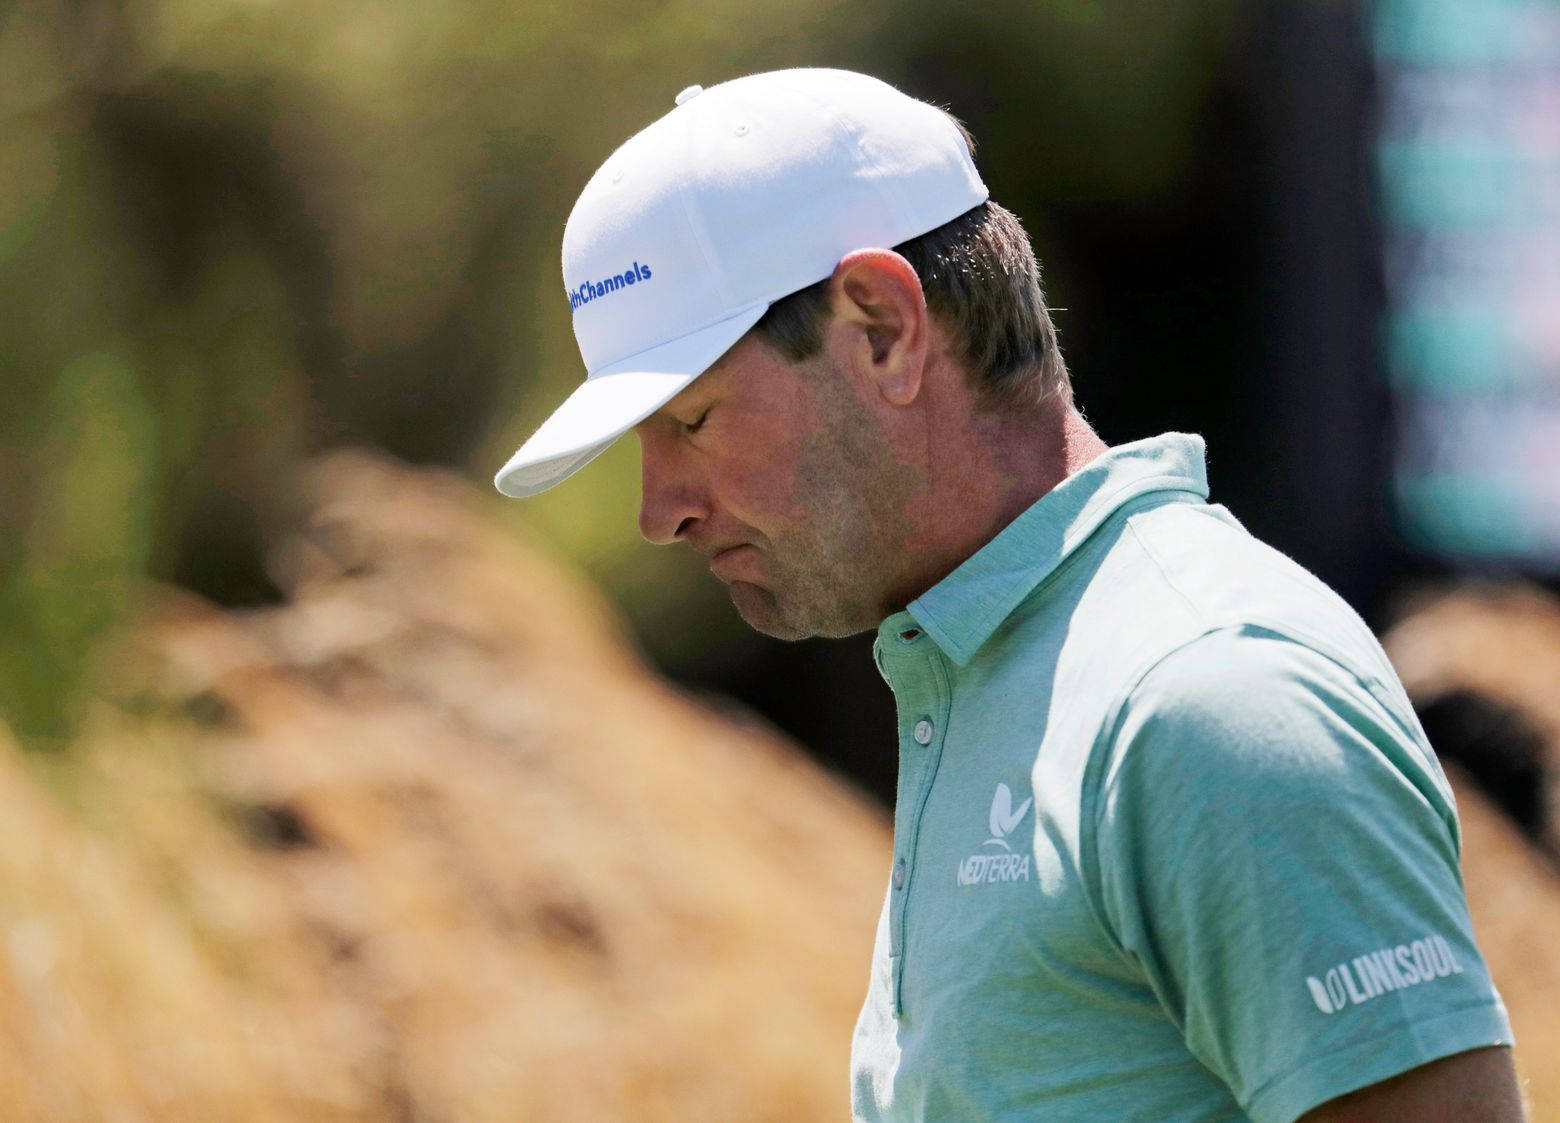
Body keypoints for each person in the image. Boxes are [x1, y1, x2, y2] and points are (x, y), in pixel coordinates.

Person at [495, 68, 1523, 1122]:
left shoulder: (1208, 693)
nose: (657, 509)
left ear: (882, 328)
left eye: (693, 420)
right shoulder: (999, 673)